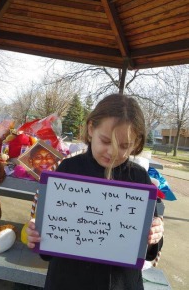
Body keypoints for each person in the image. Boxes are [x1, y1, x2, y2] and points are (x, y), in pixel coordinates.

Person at [26, 93, 164, 290]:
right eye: (106, 141)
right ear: (91, 129)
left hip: (120, 283)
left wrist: (154, 236)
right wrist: (38, 234)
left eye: (124, 146)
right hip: (68, 281)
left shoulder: (139, 178)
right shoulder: (67, 170)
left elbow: (147, 249)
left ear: (136, 142)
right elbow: (48, 249)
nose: (113, 152)